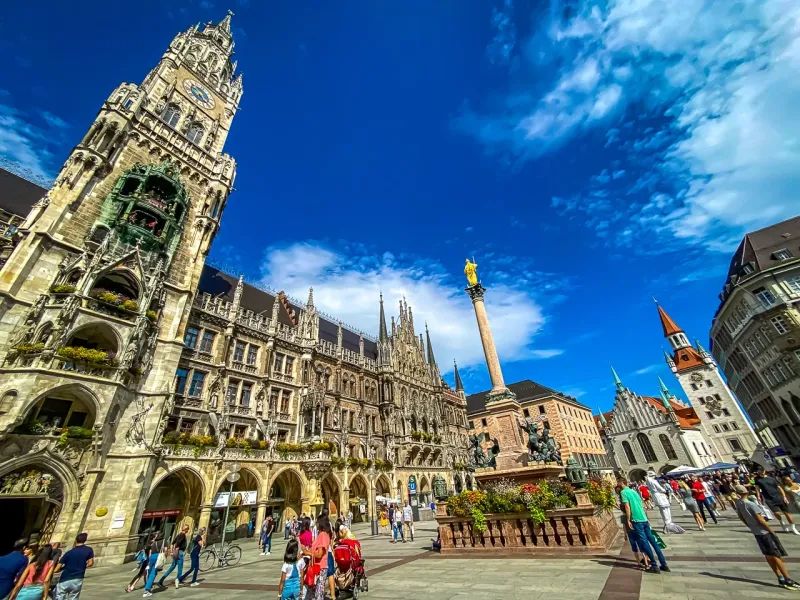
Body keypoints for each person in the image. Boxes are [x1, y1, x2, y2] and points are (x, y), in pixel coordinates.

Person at [734, 484, 800, 590]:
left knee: (768, 555)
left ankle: (780, 577)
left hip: (756, 532)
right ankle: (788, 579)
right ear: (746, 492)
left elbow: (741, 517)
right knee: (775, 555)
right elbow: (760, 520)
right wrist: (771, 530)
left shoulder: (739, 503)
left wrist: (750, 526)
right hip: (764, 532)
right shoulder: (751, 504)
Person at [618, 479, 670, 574]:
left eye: (618, 483)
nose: (618, 484)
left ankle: (654, 565)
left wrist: (629, 519)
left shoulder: (623, 492)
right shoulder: (634, 491)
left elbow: (627, 507)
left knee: (645, 543)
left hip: (636, 520)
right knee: (653, 542)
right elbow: (642, 504)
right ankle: (664, 564)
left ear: (621, 483)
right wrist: (646, 517)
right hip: (644, 519)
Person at [615, 484, 650, 570]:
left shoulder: (623, 512)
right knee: (641, 544)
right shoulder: (632, 509)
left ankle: (638, 562)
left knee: (634, 546)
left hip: (629, 529)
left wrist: (625, 534)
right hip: (636, 524)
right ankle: (646, 562)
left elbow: (624, 523)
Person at [755, 469, 800, 535]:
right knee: (777, 513)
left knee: (787, 513)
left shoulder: (772, 478)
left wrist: (784, 497)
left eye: (762, 471)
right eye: (759, 471)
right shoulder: (758, 480)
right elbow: (757, 489)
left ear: (764, 471)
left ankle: (793, 528)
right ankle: (781, 522)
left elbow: (780, 488)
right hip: (769, 499)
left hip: (778, 497)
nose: (761, 472)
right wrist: (758, 496)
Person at [54, 532, 94, 600]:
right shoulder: (88, 550)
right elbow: (90, 563)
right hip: (78, 578)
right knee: (74, 597)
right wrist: (83, 566)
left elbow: (56, 570)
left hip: (65, 579)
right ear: (85, 540)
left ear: (76, 540)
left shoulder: (68, 553)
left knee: (60, 596)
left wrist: (62, 568)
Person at [158, 524, 188, 589]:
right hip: (179, 553)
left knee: (172, 567)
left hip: (175, 552)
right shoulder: (183, 535)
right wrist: (176, 550)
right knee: (180, 568)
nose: (188, 531)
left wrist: (172, 552)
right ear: (186, 530)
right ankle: (178, 580)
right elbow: (177, 545)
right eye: (187, 530)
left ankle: (161, 580)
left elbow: (172, 543)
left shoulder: (178, 535)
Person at [141, 533, 163, 598]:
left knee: (150, 573)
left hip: (151, 557)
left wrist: (149, 561)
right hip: (157, 557)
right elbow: (165, 550)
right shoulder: (163, 542)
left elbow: (150, 552)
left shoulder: (153, 543)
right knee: (153, 574)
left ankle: (148, 586)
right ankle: (146, 590)